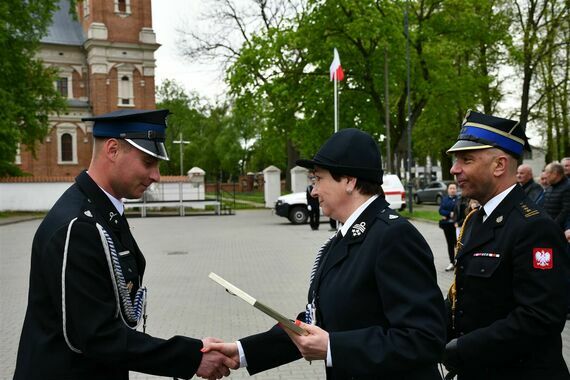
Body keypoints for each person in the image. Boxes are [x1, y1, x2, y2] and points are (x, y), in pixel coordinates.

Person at [205, 128, 446, 379]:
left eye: (319, 179)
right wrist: (241, 351)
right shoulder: (347, 236)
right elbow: (317, 321)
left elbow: (425, 339)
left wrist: (333, 347)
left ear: (350, 181)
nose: (313, 191)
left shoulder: (393, 236)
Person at [13, 109, 236, 380]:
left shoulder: (101, 212)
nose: (156, 176)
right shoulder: (77, 227)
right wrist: (190, 357)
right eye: (148, 162)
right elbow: (99, 337)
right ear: (112, 150)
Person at [443, 110, 569, 379]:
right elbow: (463, 296)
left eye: (466, 160)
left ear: (499, 165)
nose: (455, 169)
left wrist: (463, 348)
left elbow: (540, 318)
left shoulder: (534, 227)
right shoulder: (476, 220)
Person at [542, 162, 570, 229]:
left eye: (546, 172)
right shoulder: (549, 187)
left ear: (555, 174)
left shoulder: (568, 187)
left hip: (560, 230)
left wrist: (554, 225)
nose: (545, 176)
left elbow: (566, 210)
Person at [439, 183, 459, 271]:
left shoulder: (459, 199)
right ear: (448, 190)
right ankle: (452, 262)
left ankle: (458, 262)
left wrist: (449, 213)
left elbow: (459, 210)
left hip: (456, 225)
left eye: (454, 188)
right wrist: (449, 213)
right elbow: (441, 210)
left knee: (457, 244)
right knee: (450, 244)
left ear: (456, 189)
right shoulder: (444, 199)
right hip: (447, 225)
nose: (452, 190)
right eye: (451, 188)